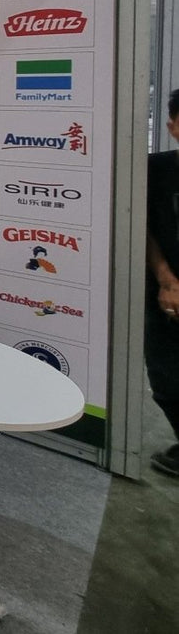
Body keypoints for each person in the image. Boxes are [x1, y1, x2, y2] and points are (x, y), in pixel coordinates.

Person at [145, 89, 179, 476]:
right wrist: (166, 279)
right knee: (166, 378)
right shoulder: (154, 171)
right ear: (171, 127)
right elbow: (142, 226)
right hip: (164, 293)